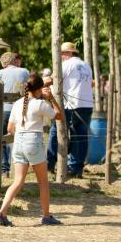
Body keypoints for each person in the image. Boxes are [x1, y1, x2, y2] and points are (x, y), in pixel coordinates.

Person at [0, 73, 64, 226]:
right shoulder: (40, 104)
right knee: (43, 182)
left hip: (18, 141)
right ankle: (46, 215)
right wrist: (51, 98)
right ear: (40, 89)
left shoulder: (17, 103)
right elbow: (59, 116)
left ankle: (2, 212)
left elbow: (10, 128)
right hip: (33, 141)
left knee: (18, 181)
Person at [47, 42, 94, 179]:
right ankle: (76, 167)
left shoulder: (66, 65)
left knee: (56, 131)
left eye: (61, 54)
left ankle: (50, 163)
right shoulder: (86, 66)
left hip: (71, 104)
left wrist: (38, 83)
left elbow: (54, 80)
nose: (60, 57)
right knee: (81, 135)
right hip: (86, 104)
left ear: (68, 53)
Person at [0, 51, 29, 176]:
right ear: (14, 61)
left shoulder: (0, 73)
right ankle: (19, 166)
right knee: (20, 136)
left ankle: (4, 169)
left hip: (4, 110)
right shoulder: (24, 71)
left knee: (1, 139)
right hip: (21, 109)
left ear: (4, 63)